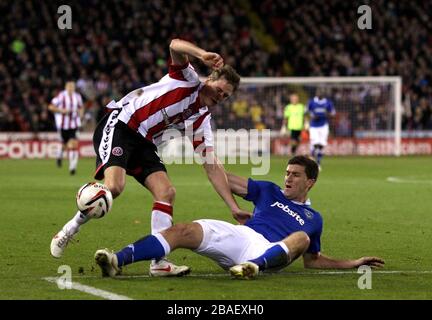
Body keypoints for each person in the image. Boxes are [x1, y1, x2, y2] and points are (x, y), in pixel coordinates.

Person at [50, 39, 249, 277]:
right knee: (114, 187)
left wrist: (233, 207)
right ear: (210, 79)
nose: (220, 97)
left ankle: (159, 262)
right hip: (122, 124)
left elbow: (212, 166)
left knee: (167, 192)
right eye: (219, 90)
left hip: (144, 140)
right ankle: (68, 230)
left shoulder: (201, 120)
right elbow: (174, 44)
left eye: (225, 97)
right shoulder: (187, 79)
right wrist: (201, 53)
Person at [93, 155, 384, 279]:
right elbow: (227, 179)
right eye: (286, 173)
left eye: (295, 175)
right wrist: (208, 156)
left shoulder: (313, 217)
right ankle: (118, 260)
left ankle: (251, 268)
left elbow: (312, 259)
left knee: (301, 238)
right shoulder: (268, 190)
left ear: (310, 182)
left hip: (267, 253)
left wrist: (353, 263)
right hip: (241, 237)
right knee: (183, 230)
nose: (287, 179)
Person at [48, 81, 84, 175]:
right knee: (65, 144)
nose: (71, 88)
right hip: (63, 126)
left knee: (73, 144)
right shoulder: (61, 96)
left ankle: (72, 167)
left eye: (72, 87)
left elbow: (81, 107)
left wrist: (80, 115)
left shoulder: (77, 96)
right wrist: (61, 110)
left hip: (74, 125)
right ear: (66, 87)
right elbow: (51, 107)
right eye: (69, 86)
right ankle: (59, 156)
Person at [307, 89, 336, 168]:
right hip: (313, 126)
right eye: (318, 92)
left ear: (323, 94)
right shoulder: (311, 101)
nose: (319, 93)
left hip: (324, 125)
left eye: (321, 92)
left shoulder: (328, 102)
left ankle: (318, 162)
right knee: (315, 144)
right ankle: (313, 161)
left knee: (321, 145)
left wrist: (328, 113)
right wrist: (312, 115)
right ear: (316, 93)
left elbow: (333, 113)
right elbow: (307, 111)